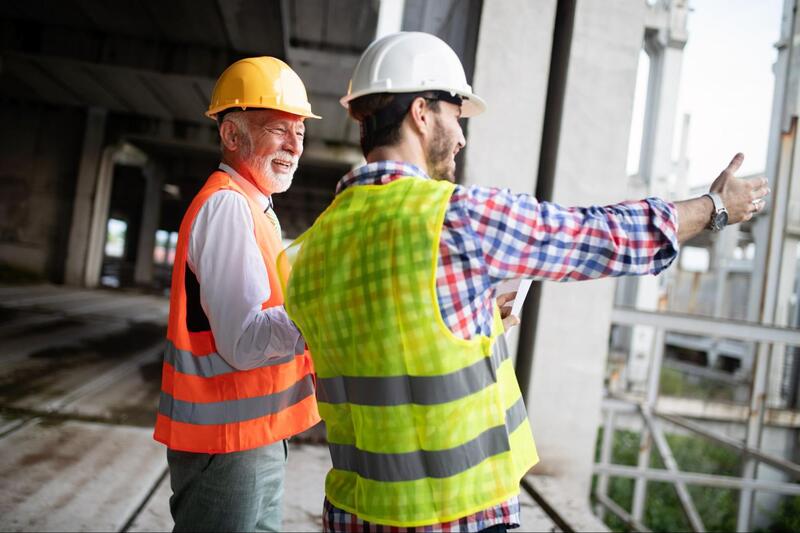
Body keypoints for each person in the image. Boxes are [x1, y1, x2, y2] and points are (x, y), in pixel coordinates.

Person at [280, 32, 770, 532]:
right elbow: (594, 236)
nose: (463, 134)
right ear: (421, 113)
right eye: (456, 113)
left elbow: (387, 347)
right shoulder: (455, 217)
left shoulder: (307, 252)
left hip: (355, 515)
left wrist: (478, 317)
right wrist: (713, 209)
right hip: (457, 515)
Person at [152, 56, 321, 532]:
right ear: (231, 135)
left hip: (251, 437)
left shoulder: (255, 207)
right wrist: (323, 310)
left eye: (300, 134)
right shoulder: (227, 205)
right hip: (226, 446)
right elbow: (244, 341)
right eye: (278, 130)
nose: (294, 146)